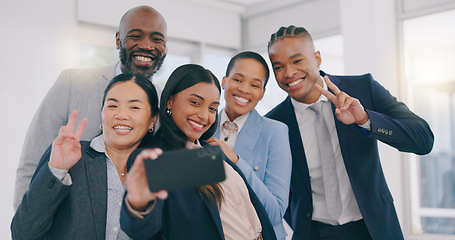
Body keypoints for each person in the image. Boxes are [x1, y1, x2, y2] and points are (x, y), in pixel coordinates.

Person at [265, 25, 434, 240]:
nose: (289, 73)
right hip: (313, 233)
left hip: (373, 230)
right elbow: (278, 193)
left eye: (297, 61)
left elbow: (423, 140)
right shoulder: (274, 123)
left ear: (317, 58)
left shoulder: (363, 88)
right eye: (278, 66)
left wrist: (365, 119)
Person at [13, 5, 167, 210]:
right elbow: (31, 163)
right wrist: (26, 226)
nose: (147, 46)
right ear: (118, 40)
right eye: (136, 36)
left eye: (157, 39)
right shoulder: (72, 83)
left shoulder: (163, 103)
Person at [120, 64, 277, 240]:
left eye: (212, 108)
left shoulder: (210, 150)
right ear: (170, 101)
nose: (204, 116)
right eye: (195, 103)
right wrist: (138, 206)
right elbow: (145, 230)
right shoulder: (157, 157)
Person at [11, 73, 159, 239]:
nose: (121, 115)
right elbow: (23, 234)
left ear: (153, 120)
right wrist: (57, 170)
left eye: (134, 107)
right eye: (112, 106)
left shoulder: (158, 172)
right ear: (102, 114)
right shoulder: (72, 156)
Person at [206, 51, 292, 239]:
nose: (244, 89)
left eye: (255, 85)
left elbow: (276, 211)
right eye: (238, 80)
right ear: (224, 81)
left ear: (262, 93)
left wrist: (236, 160)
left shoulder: (275, 132)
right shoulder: (202, 127)